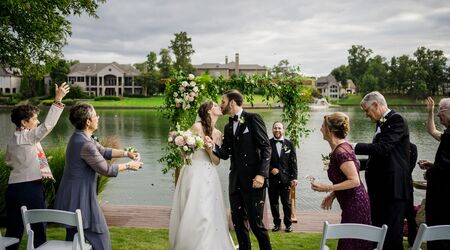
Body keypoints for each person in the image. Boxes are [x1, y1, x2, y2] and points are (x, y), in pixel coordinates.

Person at [54, 103, 143, 250]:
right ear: (88, 121)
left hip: (70, 196)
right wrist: (129, 165)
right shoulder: (85, 143)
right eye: (96, 115)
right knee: (101, 238)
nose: (98, 118)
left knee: (73, 241)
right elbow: (106, 169)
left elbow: (104, 151)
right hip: (81, 198)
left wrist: (127, 153)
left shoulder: (80, 137)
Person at [4, 82, 69, 250]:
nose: (37, 121)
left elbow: (9, 161)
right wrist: (58, 99)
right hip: (31, 188)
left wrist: (31, 160)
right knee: (38, 229)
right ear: (24, 123)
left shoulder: (12, 140)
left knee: (13, 231)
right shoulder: (29, 137)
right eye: (34, 119)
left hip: (13, 189)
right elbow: (48, 125)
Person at [209, 90, 272, 250]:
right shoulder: (228, 126)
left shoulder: (253, 119)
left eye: (223, 102)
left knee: (256, 224)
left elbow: (266, 148)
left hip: (254, 181)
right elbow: (225, 153)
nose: (221, 105)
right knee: (238, 224)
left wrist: (261, 175)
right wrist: (212, 145)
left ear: (232, 102)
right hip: (235, 181)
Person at [169, 101, 235, 250]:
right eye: (216, 106)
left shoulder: (218, 134)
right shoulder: (197, 127)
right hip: (193, 172)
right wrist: (185, 144)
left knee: (208, 208)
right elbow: (184, 152)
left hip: (209, 174)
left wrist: (209, 148)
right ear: (209, 110)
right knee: (194, 207)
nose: (219, 107)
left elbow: (216, 161)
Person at [354, 91, 412, 250]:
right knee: (378, 235)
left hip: (393, 191)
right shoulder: (381, 124)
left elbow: (383, 149)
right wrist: (352, 163)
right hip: (381, 192)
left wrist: (352, 147)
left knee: (392, 238)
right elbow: (378, 159)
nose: (366, 115)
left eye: (367, 110)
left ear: (375, 105)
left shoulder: (397, 119)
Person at [311, 112, 372, 250]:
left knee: (350, 245)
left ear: (330, 130)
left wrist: (327, 187)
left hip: (355, 205)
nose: (320, 129)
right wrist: (333, 195)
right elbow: (347, 178)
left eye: (322, 126)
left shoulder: (341, 152)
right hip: (351, 203)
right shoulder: (341, 148)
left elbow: (355, 181)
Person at [417, 97, 450, 250]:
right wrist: (433, 165)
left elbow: (445, 167)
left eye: (440, 112)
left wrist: (430, 173)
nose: (438, 116)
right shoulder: (448, 134)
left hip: (443, 200)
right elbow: (432, 130)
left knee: (439, 238)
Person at [268, 121, 297, 233]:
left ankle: (288, 224)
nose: (277, 130)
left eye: (279, 128)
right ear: (272, 130)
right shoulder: (268, 144)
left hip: (286, 179)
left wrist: (294, 178)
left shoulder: (289, 144)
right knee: (274, 203)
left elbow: (293, 162)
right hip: (272, 179)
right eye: (275, 128)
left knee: (287, 203)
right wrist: (271, 169)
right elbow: (263, 160)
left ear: (283, 130)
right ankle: (276, 224)